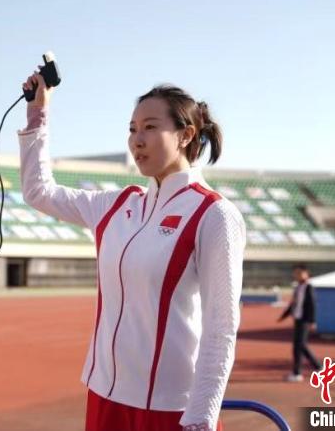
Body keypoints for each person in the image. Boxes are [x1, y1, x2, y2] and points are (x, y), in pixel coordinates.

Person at [19, 73, 245, 431]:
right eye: (132, 129)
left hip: (171, 410)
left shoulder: (214, 214)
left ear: (186, 135)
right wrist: (37, 116)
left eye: (150, 127)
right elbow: (38, 191)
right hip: (104, 396)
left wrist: (201, 418)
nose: (136, 141)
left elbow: (222, 327)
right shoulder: (118, 205)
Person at [278, 264, 321, 381]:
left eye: (299, 273)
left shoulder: (308, 287)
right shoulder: (298, 287)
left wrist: (312, 321)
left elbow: (312, 305)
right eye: (295, 273)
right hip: (298, 319)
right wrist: (283, 316)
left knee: (299, 346)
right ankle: (318, 367)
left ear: (306, 273)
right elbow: (293, 304)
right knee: (301, 345)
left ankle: (297, 373)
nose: (296, 275)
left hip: (305, 320)